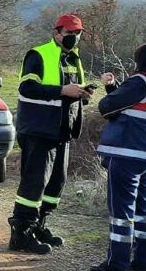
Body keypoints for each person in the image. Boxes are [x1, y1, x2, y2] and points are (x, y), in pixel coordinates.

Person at [10, 14, 92, 254]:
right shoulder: (38, 54)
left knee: (56, 183)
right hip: (39, 129)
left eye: (78, 34)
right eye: (69, 33)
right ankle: (21, 234)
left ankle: (38, 226)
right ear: (57, 33)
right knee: (35, 183)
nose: (74, 38)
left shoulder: (74, 59)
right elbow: (27, 88)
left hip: (62, 131)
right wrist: (62, 90)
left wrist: (82, 94)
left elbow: (70, 94)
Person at [90, 43, 146, 271]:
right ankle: (143, 260)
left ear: (141, 61)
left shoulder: (140, 81)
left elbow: (107, 108)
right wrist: (114, 88)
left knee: (121, 209)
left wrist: (111, 90)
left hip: (127, 153)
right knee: (144, 209)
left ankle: (117, 262)